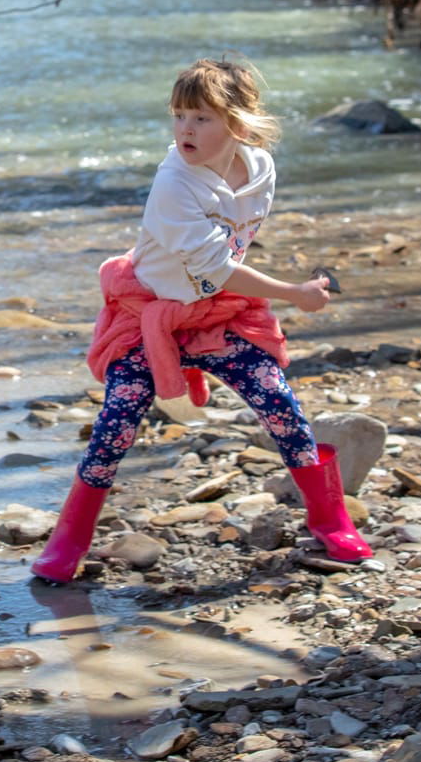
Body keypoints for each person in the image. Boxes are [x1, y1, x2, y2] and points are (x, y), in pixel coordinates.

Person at [31, 58, 373, 583]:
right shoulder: (173, 185)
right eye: (179, 116)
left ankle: (330, 518)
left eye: (202, 118)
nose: (186, 130)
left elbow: (232, 256)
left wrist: (278, 293)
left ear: (238, 123)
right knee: (116, 425)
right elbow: (215, 266)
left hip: (219, 316)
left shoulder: (260, 168)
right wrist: (294, 293)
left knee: (279, 403)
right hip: (150, 313)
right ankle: (69, 538)